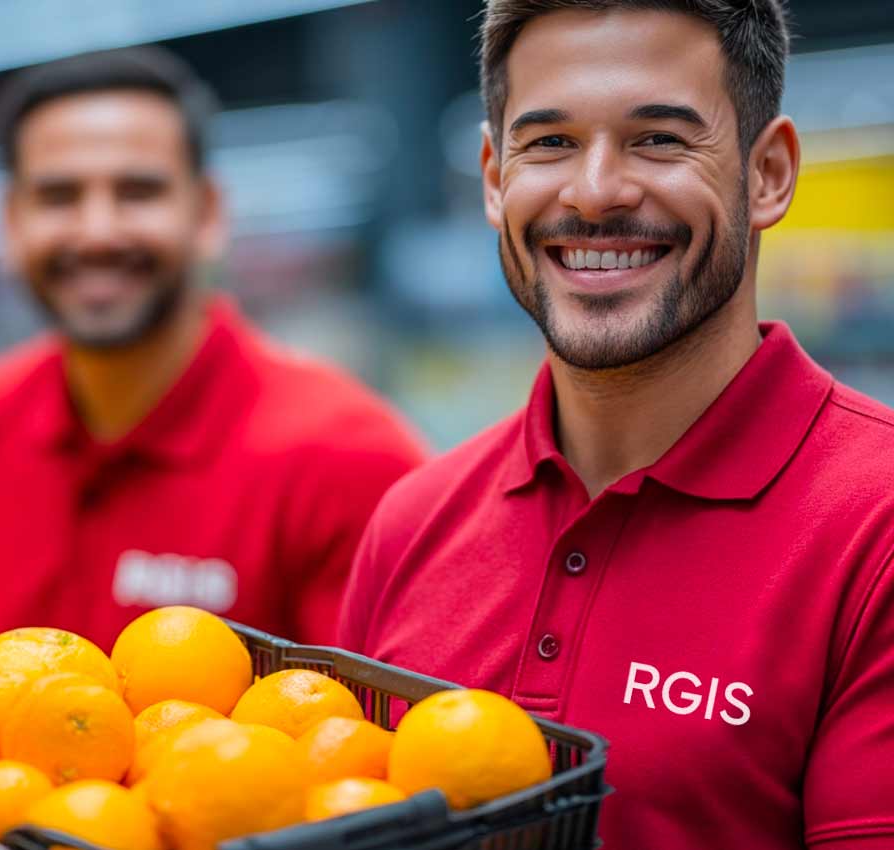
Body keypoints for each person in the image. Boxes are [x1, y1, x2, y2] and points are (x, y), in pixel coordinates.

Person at [337, 1, 894, 846]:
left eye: (660, 139)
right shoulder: (411, 524)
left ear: (770, 173)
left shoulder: (874, 526)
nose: (595, 192)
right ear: (494, 179)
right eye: (550, 142)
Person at [0, 47, 426, 657]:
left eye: (137, 191)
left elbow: (384, 734)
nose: (98, 231)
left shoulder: (345, 458)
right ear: (11, 221)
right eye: (59, 196)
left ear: (207, 212)